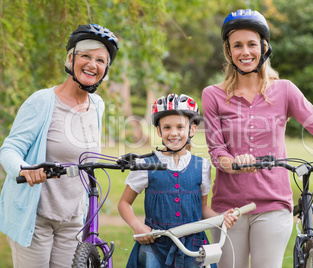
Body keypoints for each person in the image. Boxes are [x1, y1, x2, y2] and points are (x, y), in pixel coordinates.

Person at [201, 9, 313, 268]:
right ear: (229, 51)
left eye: (252, 44)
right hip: (229, 208)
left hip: (273, 203)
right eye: (237, 45)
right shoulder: (212, 95)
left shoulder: (284, 90)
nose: (245, 52)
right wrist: (235, 162)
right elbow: (217, 152)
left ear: (264, 47)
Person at [0, 24, 119, 267]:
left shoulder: (97, 105)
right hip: (36, 216)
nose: (92, 64)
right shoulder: (43, 101)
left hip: (73, 219)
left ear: (106, 69)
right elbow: (9, 149)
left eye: (100, 60)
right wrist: (24, 169)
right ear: (70, 58)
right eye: (85, 55)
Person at [118, 94, 237, 268]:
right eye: (167, 127)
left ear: (192, 129)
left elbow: (202, 209)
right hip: (156, 246)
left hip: (194, 248)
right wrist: (137, 226)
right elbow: (124, 203)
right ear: (159, 131)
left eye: (180, 127)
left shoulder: (202, 166)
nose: (173, 133)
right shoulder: (146, 164)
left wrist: (221, 218)